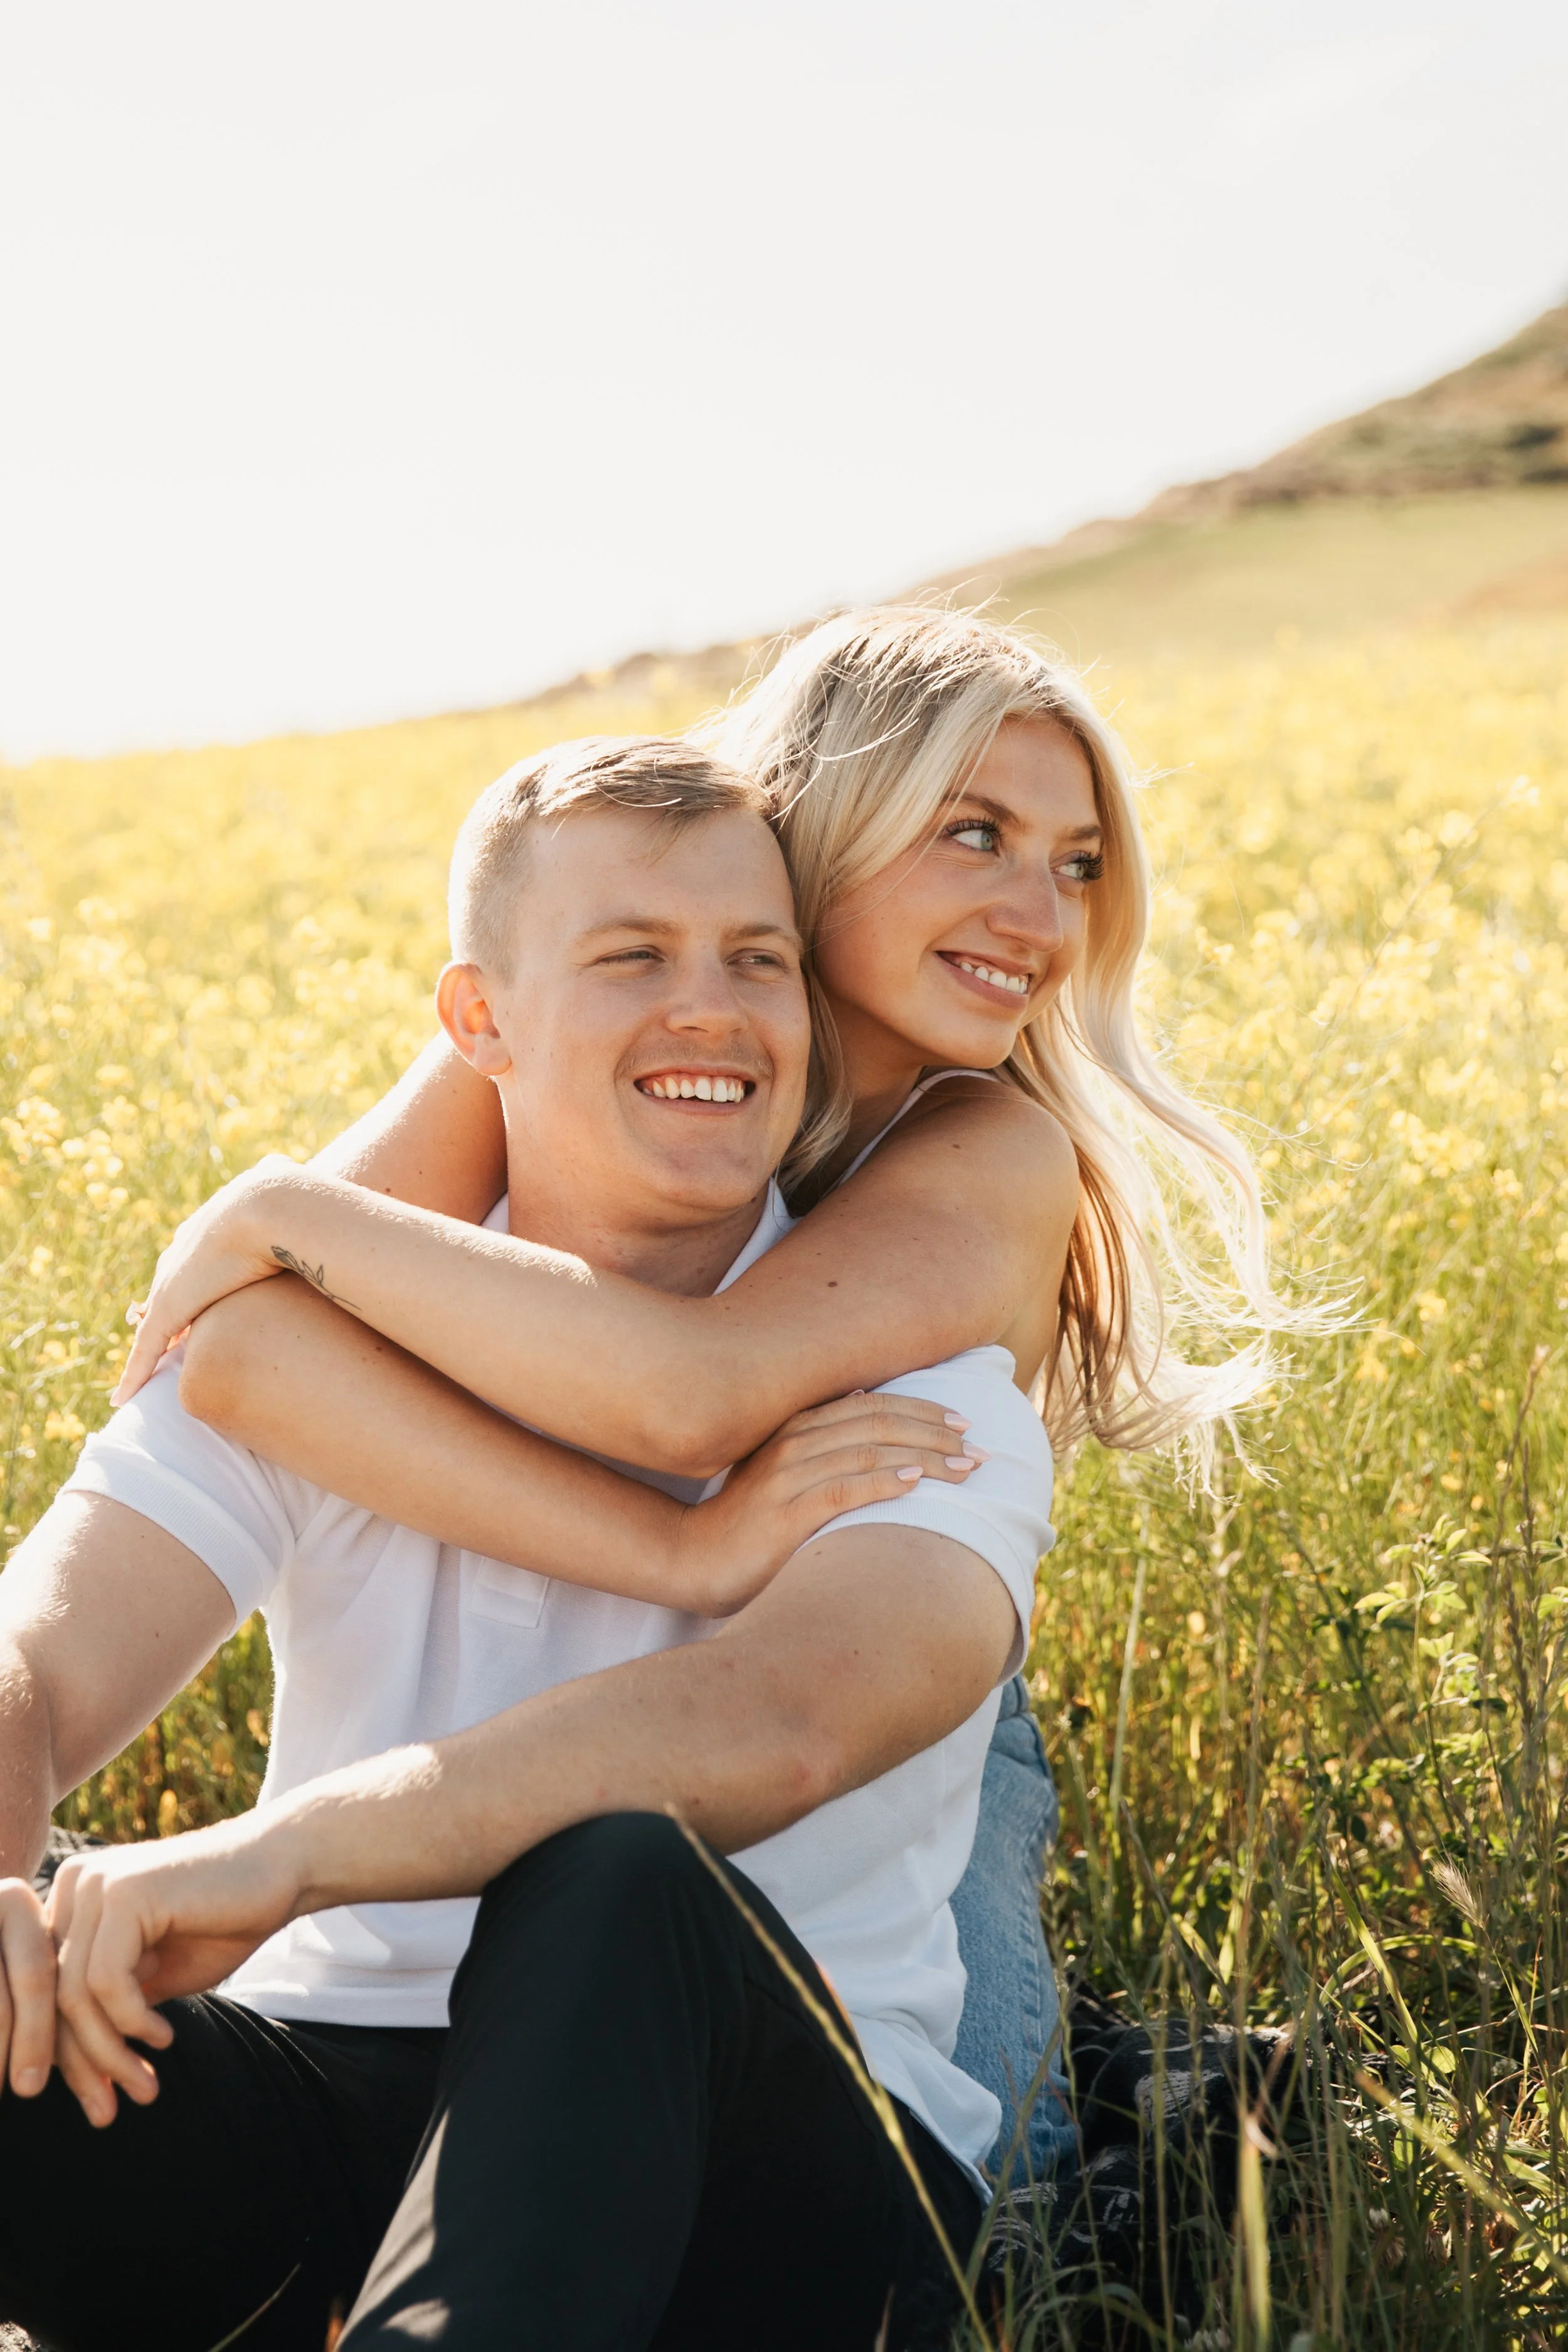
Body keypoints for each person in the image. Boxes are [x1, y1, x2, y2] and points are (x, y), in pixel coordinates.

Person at [121, 607, 1300, 2181]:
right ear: (824, 832)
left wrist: (284, 1205)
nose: (1041, 914)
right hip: (580, 1687)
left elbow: (698, 1396)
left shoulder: (986, 1146)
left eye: (1077, 863)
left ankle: (1126, 2084)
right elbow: (252, 1352)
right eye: (976, 836)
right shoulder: (632, 993)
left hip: (870, 1670)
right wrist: (295, 1265)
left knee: (993, 2197)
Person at [0, 736, 1065, 2351]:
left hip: (761, 2152)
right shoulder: (323, 1339)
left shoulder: (918, 1378)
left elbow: (777, 1723)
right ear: (479, 1020)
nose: (709, 1007)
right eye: (633, 954)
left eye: (758, 962)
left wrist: (280, 1853)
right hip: (322, 2095)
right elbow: (35, 1663)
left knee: (621, 1871)